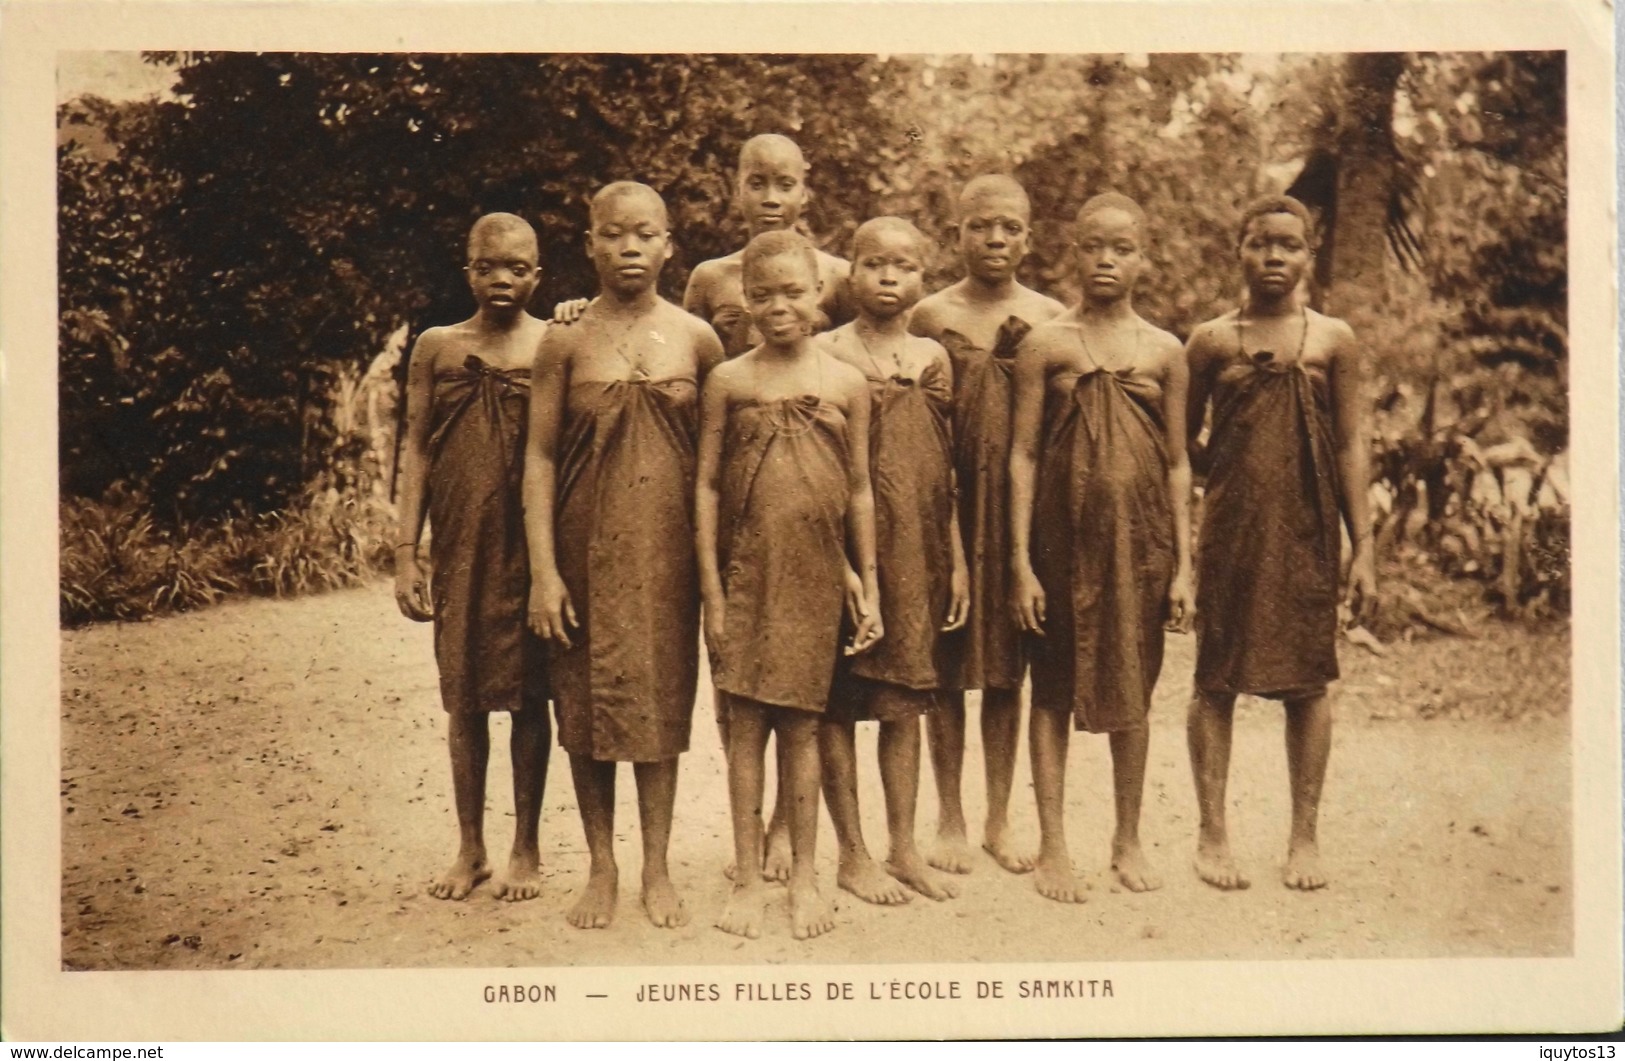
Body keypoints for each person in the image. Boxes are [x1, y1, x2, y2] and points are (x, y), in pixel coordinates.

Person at [523, 182, 724, 930]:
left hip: (666, 552)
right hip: (583, 550)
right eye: (614, 234)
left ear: (670, 244)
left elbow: (715, 468)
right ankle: (601, 864)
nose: (630, 248)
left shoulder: (698, 339)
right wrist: (544, 571)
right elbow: (539, 458)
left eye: (645, 234)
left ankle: (657, 867)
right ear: (590, 243)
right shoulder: (563, 338)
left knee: (660, 703)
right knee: (583, 704)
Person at [1182, 194, 1375, 892]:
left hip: (1308, 530)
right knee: (1215, 678)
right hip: (1231, 530)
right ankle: (1211, 835)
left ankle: (1304, 836)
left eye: (1287, 245)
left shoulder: (1332, 339)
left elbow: (1352, 442)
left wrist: (1364, 547)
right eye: (1259, 243)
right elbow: (1181, 443)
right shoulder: (1208, 341)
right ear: (1238, 248)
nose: (1272, 257)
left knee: (1307, 681)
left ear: (1308, 253)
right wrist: (1235, 472)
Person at [696, 229, 880, 940]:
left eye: (793, 292)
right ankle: (746, 879)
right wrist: (712, 590)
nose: (779, 306)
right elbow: (707, 487)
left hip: (815, 579)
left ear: (820, 296)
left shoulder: (844, 383)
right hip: (744, 576)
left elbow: (859, 489)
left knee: (803, 730)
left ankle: (804, 877)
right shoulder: (729, 381)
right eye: (763, 293)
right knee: (745, 731)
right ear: (744, 298)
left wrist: (868, 581)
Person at [1009, 193, 1193, 903]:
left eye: (1120, 247)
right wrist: (1019, 563)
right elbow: (1021, 455)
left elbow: (1178, 462)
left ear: (1141, 256)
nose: (1106, 260)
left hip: (1138, 545)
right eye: (1092, 247)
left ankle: (1127, 838)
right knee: (1050, 686)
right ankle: (1053, 844)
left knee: (1134, 684)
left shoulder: (1164, 351)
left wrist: (1183, 565)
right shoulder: (1045, 345)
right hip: (1059, 543)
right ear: (1072, 253)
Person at [908, 175, 1066, 875]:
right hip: (943, 504)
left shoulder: (1054, 317)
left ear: (1028, 237)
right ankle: (947, 814)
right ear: (957, 235)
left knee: (1006, 669)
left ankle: (1000, 818)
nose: (995, 239)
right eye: (980, 227)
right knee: (944, 664)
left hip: (1021, 514)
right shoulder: (923, 315)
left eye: (1009, 227)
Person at [393, 212, 551, 903]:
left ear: (537, 275)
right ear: (468, 271)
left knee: (528, 696)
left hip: (532, 545)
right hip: (461, 542)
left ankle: (526, 846)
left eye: (517, 267)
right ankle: (470, 845)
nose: (502, 280)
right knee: (464, 698)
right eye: (488, 266)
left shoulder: (555, 342)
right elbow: (417, 447)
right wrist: (406, 551)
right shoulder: (437, 347)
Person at [820, 217, 967, 906]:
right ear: (848, 272)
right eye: (872, 263)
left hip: (916, 549)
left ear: (921, 278)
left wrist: (958, 560)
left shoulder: (933, 357)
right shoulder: (824, 351)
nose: (886, 277)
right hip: (837, 548)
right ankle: (850, 852)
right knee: (835, 702)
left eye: (902, 266)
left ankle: (903, 846)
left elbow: (947, 472)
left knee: (906, 700)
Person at [684, 133, 853, 358]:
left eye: (785, 185)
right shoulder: (710, 277)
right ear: (738, 192)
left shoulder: (836, 275)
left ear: (803, 194)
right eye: (757, 184)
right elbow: (690, 359)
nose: (771, 198)